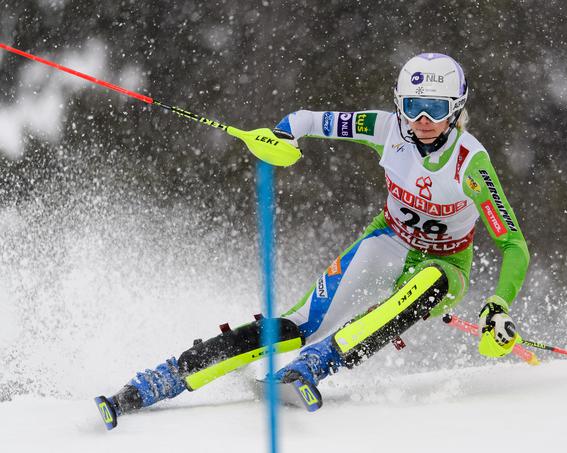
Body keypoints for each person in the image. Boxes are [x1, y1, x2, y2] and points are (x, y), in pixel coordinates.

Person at [95, 52, 530, 428]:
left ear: (456, 110)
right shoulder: (385, 129)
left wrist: (498, 307)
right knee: (299, 323)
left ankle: (317, 364)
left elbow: (514, 245)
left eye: (436, 109)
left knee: (429, 280)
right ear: (399, 105)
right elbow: (304, 121)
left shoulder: (470, 164)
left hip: (446, 266)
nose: (423, 122)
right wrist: (281, 136)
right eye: (414, 107)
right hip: (387, 242)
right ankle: (164, 378)